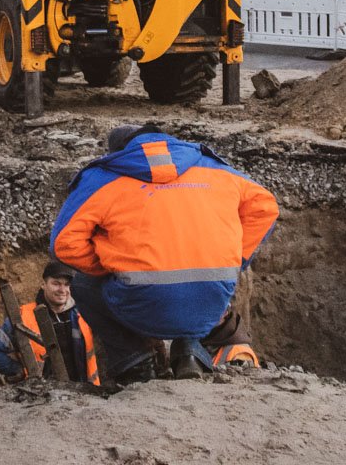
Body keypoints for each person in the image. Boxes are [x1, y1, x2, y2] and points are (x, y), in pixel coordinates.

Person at [51, 123, 278, 383]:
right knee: (189, 264)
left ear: (120, 152)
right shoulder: (214, 169)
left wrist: (105, 266)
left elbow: (63, 245)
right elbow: (265, 207)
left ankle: (135, 362)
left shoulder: (105, 177)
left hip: (143, 306)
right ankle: (189, 353)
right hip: (210, 305)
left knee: (83, 285)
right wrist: (236, 258)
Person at [0, 261, 100, 384]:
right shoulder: (24, 316)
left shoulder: (83, 313)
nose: (62, 290)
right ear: (43, 284)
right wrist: (18, 371)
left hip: (84, 393)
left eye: (67, 285)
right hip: (43, 395)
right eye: (56, 284)